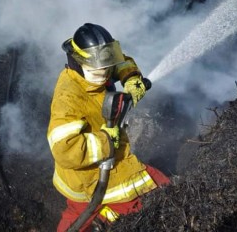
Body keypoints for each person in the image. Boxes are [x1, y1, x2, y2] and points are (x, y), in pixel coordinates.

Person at [47, 23, 170, 231]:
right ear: (77, 61)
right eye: (98, 73)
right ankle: (110, 215)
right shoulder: (68, 98)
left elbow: (119, 63)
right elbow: (64, 149)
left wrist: (131, 78)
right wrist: (106, 140)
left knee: (78, 215)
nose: (104, 76)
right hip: (93, 177)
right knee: (162, 191)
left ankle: (104, 215)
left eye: (107, 70)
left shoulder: (93, 67)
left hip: (83, 182)